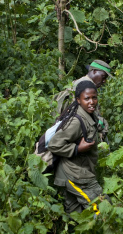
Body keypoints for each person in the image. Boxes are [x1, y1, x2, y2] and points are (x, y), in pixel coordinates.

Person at [48, 80, 104, 215]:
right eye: (87, 99)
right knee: (102, 208)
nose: (91, 102)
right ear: (78, 100)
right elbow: (54, 144)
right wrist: (77, 149)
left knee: (75, 214)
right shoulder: (76, 121)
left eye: (94, 97)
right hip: (74, 175)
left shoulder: (90, 114)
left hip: (78, 171)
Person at [55, 60, 113, 139]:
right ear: (94, 71)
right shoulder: (85, 86)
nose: (104, 81)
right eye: (103, 77)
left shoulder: (81, 82)